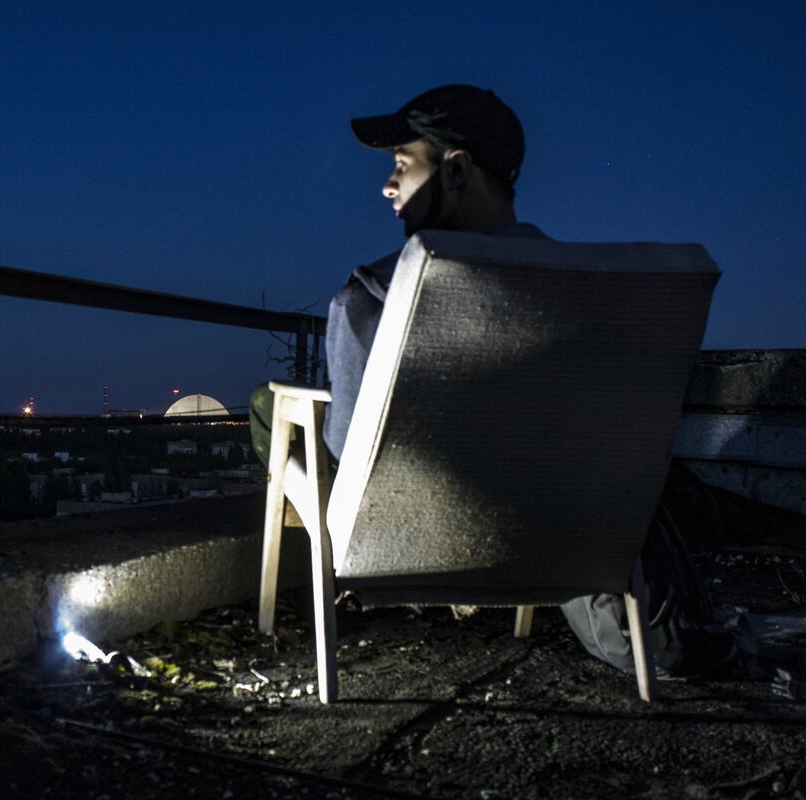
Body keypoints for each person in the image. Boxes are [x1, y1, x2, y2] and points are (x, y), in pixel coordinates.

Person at [249, 84, 749, 681]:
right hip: (565, 536)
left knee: (266, 406)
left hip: (409, 543)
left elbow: (350, 457)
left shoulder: (371, 298)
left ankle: (278, 617)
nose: (388, 186)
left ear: (457, 170)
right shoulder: (593, 297)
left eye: (402, 166)